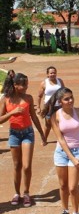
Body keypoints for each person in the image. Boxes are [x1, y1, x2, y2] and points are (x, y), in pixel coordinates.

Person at [43, 87, 79, 214]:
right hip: (62, 153)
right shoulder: (55, 116)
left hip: (78, 151)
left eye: (71, 97)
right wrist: (71, 157)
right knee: (63, 185)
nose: (70, 100)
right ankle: (65, 211)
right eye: (66, 99)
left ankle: (76, 213)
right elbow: (60, 139)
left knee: (73, 187)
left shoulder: (78, 112)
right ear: (60, 101)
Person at [0, 73, 46, 207]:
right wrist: (12, 113)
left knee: (26, 165)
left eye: (27, 84)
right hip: (14, 133)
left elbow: (34, 117)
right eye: (24, 84)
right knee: (16, 165)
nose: (27, 86)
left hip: (28, 133)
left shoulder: (28, 98)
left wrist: (42, 134)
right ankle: (16, 193)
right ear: (15, 85)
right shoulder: (6, 99)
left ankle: (26, 193)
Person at [37, 66, 65, 141]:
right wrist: (38, 107)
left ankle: (62, 139)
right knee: (48, 124)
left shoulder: (60, 81)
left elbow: (64, 93)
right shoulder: (44, 83)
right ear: (47, 74)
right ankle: (44, 139)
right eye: (51, 73)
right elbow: (39, 96)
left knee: (61, 123)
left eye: (54, 73)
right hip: (49, 107)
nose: (53, 74)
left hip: (59, 106)